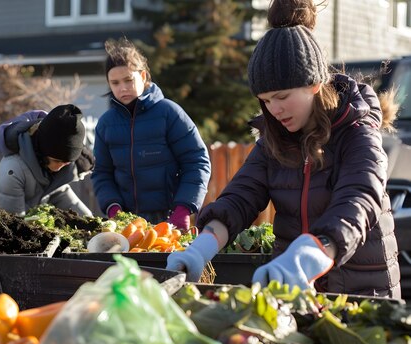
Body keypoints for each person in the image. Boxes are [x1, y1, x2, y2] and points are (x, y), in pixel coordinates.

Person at [167, 0, 400, 298]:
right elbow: (241, 196)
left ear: (314, 84)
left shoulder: (357, 133)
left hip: (361, 292)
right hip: (295, 294)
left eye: (281, 96)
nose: (274, 109)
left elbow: (359, 200)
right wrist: (203, 245)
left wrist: (311, 253)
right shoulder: (272, 141)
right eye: (264, 100)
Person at [91, 37, 211, 229]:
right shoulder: (105, 124)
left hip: (171, 221)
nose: (122, 88)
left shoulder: (169, 113)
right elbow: (101, 173)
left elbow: (197, 161)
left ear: (144, 76)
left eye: (128, 80)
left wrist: (183, 208)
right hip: (127, 225)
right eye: (114, 83)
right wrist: (113, 209)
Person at [0, 104, 94, 216]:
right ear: (42, 150)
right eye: (56, 161)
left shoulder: (55, 169)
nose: (59, 168)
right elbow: (13, 223)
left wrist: (90, 221)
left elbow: (59, 194)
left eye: (66, 163)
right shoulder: (13, 170)